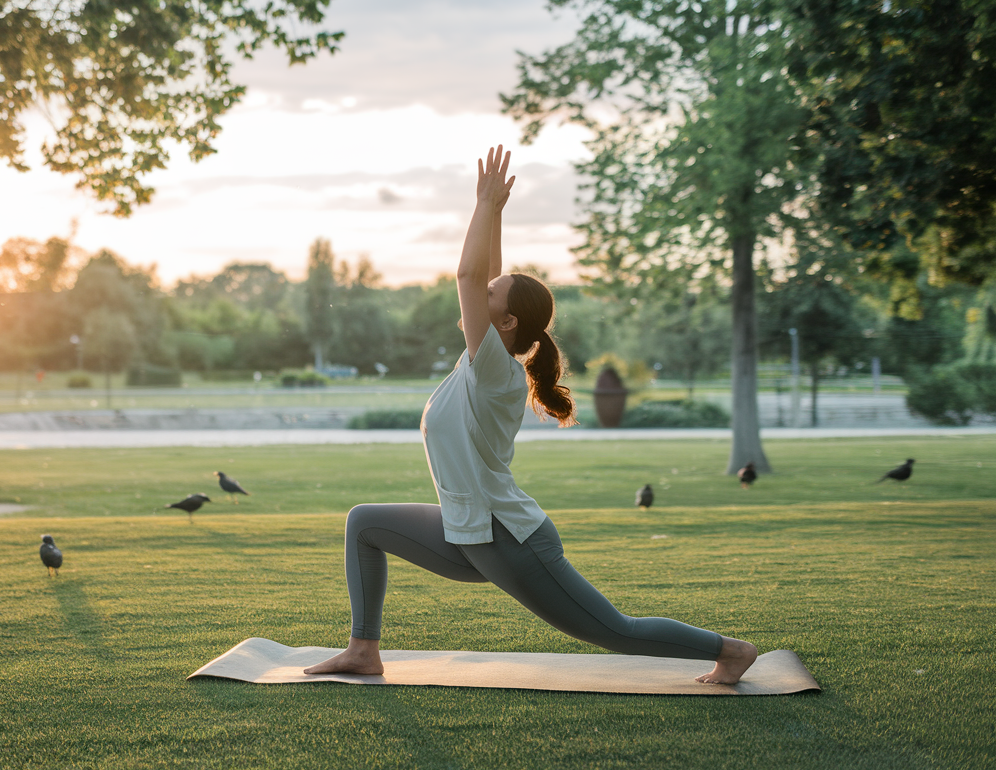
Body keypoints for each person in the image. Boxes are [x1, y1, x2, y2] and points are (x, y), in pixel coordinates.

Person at [305, 146, 758, 684]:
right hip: (465, 534)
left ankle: (731, 650)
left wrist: (480, 204)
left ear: (507, 321)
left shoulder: (496, 370)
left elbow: (470, 275)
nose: (481, 292)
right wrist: (495, 212)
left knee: (615, 632)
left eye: (492, 296)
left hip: (509, 541)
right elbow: (488, 275)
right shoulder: (479, 360)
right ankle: (362, 650)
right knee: (365, 523)